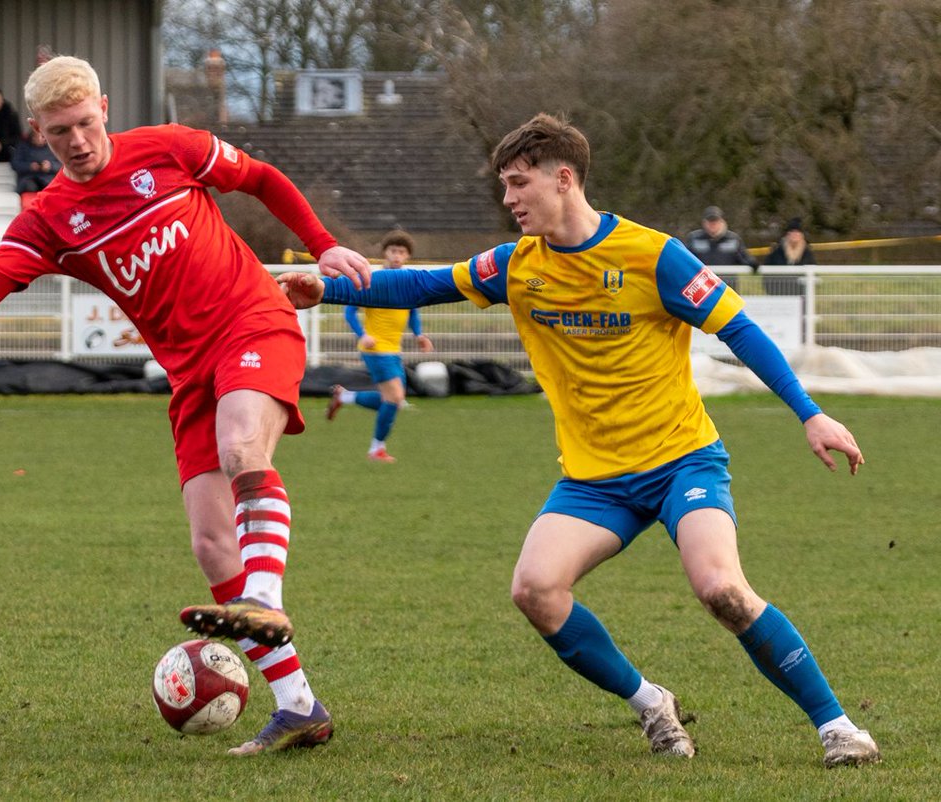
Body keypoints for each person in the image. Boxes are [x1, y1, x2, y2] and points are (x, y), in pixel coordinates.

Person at [278, 112, 880, 768]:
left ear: (563, 179)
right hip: (595, 480)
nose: (508, 199)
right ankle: (651, 703)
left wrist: (809, 413)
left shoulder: (654, 256)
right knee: (535, 590)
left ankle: (838, 728)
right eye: (504, 186)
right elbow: (421, 283)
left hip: (683, 461)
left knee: (721, 590)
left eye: (517, 183)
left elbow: (740, 329)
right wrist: (328, 288)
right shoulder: (514, 266)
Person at [0, 55, 371, 756]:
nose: (78, 141)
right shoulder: (50, 219)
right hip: (190, 374)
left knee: (242, 446)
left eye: (86, 123)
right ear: (37, 131)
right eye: (60, 131)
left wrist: (324, 245)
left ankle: (265, 602)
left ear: (104, 107)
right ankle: (299, 706)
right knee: (212, 543)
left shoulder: (170, 148)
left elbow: (261, 179)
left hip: (254, 322)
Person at [326, 230, 433, 463]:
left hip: (394, 350)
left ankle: (345, 397)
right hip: (375, 349)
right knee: (395, 398)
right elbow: (350, 311)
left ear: (407, 257)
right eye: (393, 251)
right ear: (385, 253)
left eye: (402, 252)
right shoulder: (372, 280)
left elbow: (413, 310)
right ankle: (376, 449)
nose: (397, 256)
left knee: (392, 400)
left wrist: (419, 334)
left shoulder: (408, 281)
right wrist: (362, 335)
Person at [683, 206, 758, 289]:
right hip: (703, 290)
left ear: (722, 222)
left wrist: (753, 263)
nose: (713, 224)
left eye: (716, 221)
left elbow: (744, 257)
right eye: (710, 221)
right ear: (704, 223)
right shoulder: (694, 239)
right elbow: (685, 260)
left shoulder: (733, 239)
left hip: (727, 289)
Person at [762, 217, 816, 296]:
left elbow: (813, 273)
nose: (794, 235)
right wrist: (772, 292)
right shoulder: (776, 251)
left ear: (802, 235)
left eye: (797, 232)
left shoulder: (807, 253)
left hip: (801, 296)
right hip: (778, 295)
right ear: (787, 234)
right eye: (792, 232)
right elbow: (766, 273)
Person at [10, 126, 59, 193]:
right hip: (28, 178)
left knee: (53, 187)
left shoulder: (53, 147)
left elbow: (62, 165)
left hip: (48, 178)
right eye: (36, 136)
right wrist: (29, 166)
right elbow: (15, 164)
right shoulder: (23, 147)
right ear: (31, 137)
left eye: (42, 136)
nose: (39, 139)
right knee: (30, 187)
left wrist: (50, 166)